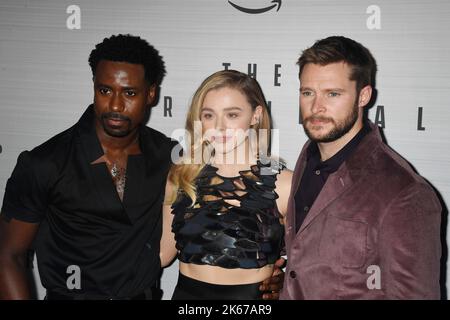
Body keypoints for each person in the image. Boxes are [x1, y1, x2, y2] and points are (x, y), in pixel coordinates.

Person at [0, 34, 175, 300]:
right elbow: (9, 255)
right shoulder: (45, 162)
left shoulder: (168, 156)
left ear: (151, 94)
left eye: (129, 93)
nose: (115, 105)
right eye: (105, 90)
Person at [280, 36, 442, 300]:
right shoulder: (306, 158)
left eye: (333, 94)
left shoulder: (405, 191)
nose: (316, 107)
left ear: (363, 96)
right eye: (308, 92)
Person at [159, 70, 292, 300]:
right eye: (209, 115)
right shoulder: (181, 176)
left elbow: (309, 265)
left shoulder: (285, 183)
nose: (219, 127)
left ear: (256, 115)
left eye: (231, 115)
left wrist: (287, 279)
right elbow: (163, 254)